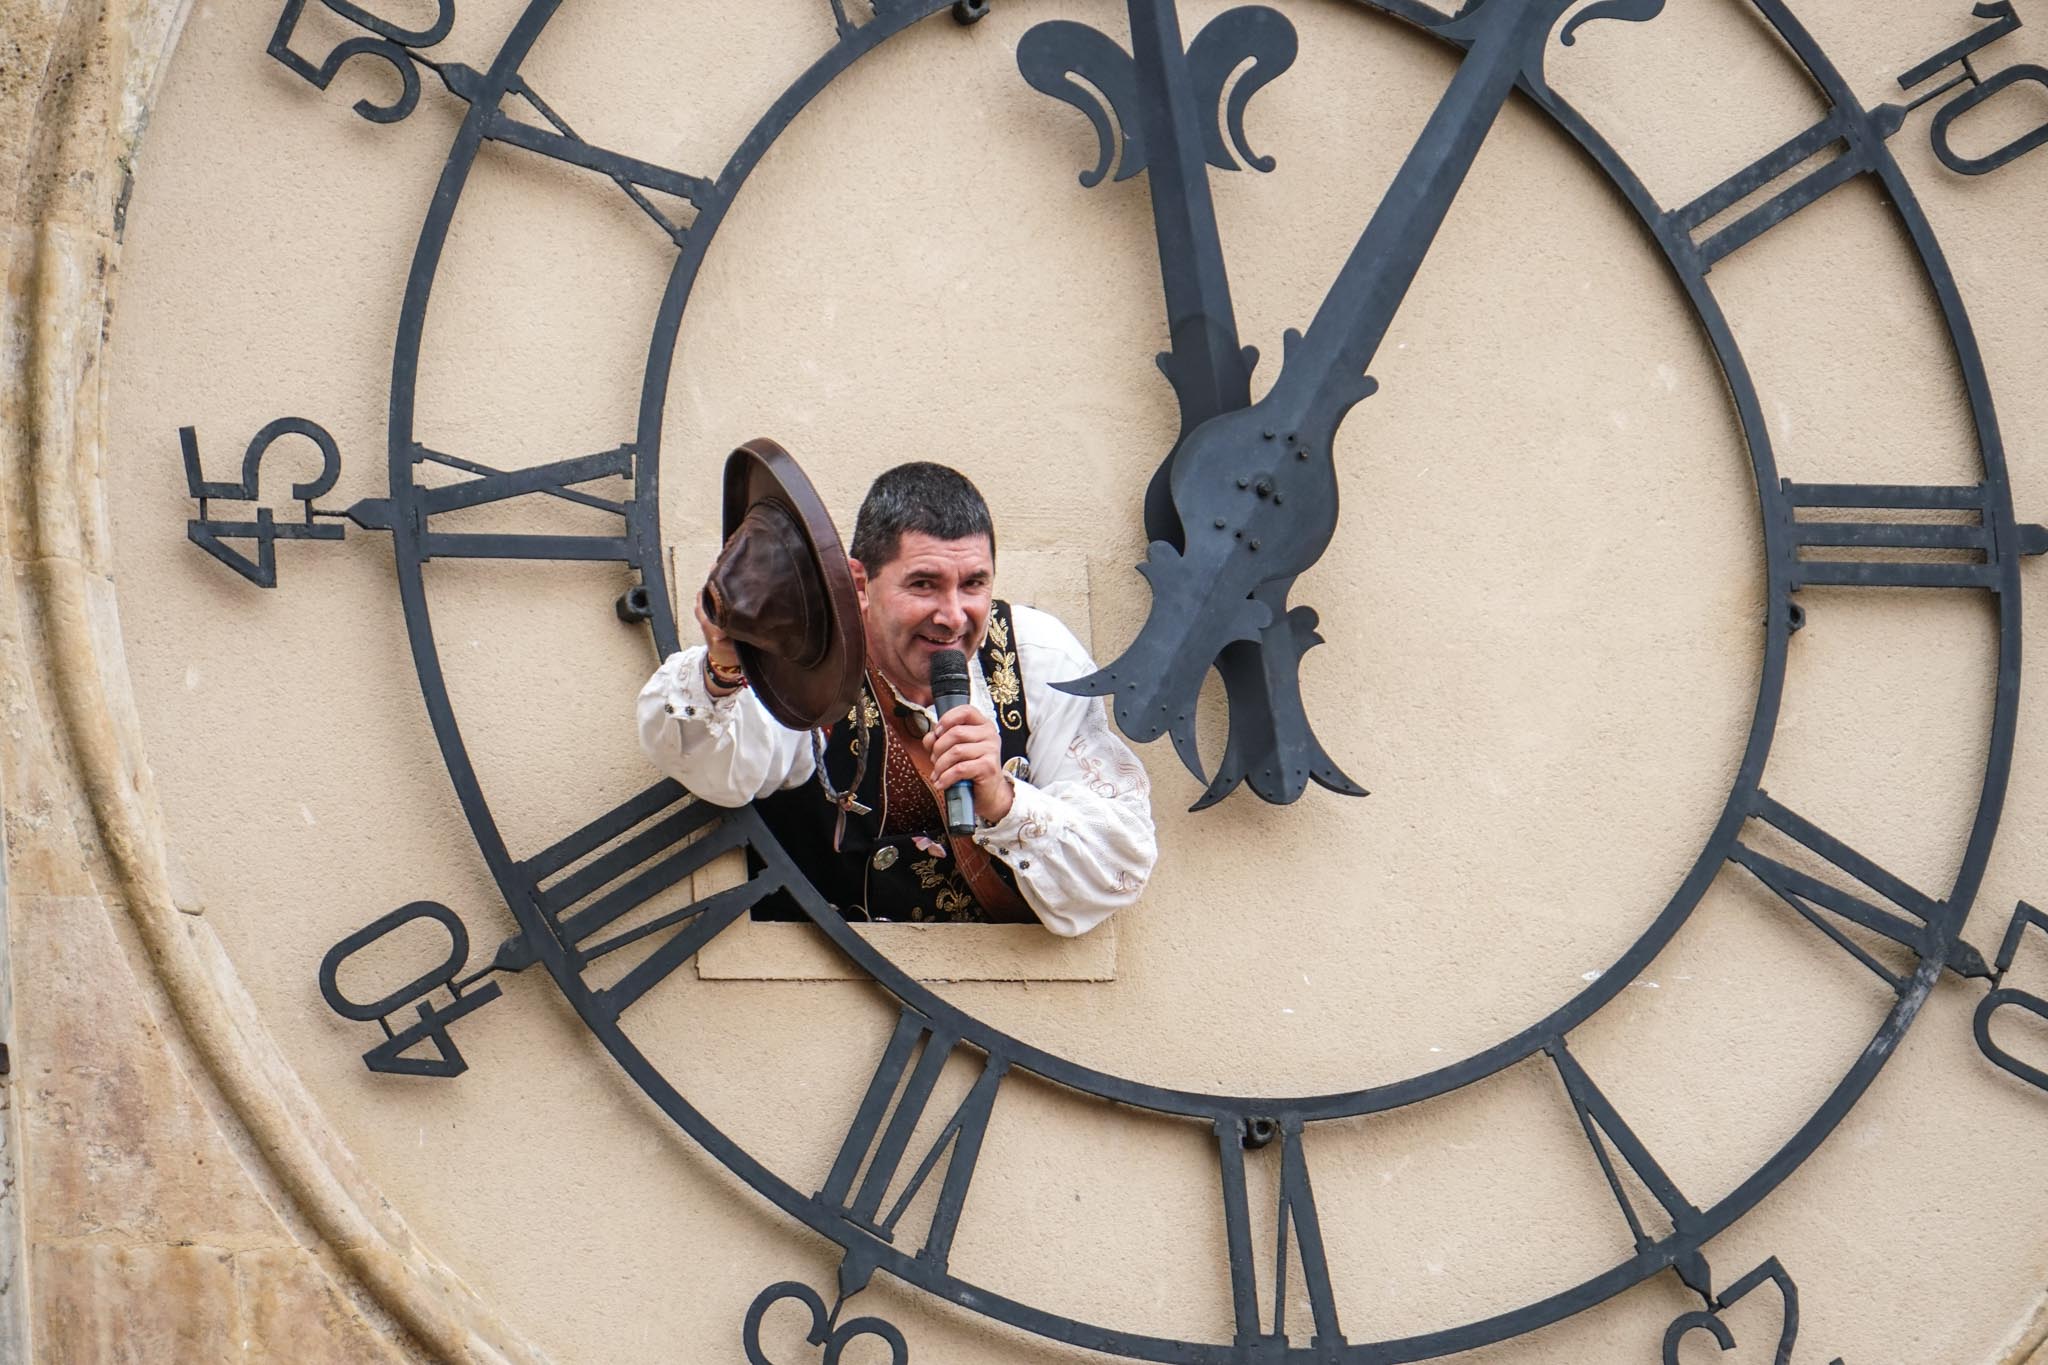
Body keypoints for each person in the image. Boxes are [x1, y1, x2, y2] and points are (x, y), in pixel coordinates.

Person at [637, 462, 1155, 935]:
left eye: (973, 583)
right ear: (861, 583)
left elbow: (1122, 864)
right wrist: (726, 665)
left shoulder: (1038, 655)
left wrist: (1003, 800)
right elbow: (720, 774)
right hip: (821, 997)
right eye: (925, 584)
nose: (953, 615)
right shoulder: (810, 658)